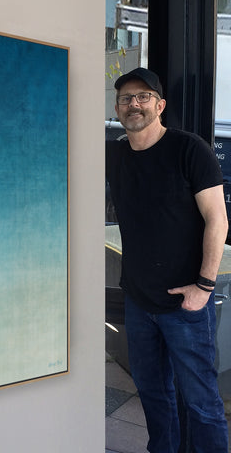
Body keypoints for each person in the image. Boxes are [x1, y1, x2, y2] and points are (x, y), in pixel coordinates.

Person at [106, 67, 229, 452]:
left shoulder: (189, 150)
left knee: (201, 401)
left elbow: (218, 219)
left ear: (160, 105)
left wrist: (204, 287)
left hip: (185, 304)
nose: (134, 104)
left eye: (143, 97)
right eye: (126, 98)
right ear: (117, 108)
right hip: (139, 301)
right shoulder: (115, 155)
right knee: (153, 394)